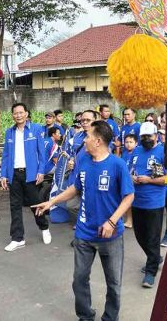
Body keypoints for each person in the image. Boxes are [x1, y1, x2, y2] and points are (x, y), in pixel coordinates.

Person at [33, 121, 134, 321]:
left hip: (111, 236)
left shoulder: (117, 165)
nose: (84, 139)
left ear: (97, 141)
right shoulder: (85, 161)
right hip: (84, 234)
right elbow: (75, 188)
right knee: (79, 280)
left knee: (113, 283)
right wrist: (52, 201)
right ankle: (85, 316)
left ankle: (110, 317)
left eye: (87, 136)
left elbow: (129, 196)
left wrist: (112, 221)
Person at [0, 102, 50, 251]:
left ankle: (44, 227)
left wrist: (41, 171)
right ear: (12, 115)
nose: (18, 115)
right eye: (15, 113)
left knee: (35, 204)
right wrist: (3, 174)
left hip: (31, 174)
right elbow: (6, 155)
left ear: (26, 114)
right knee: (15, 206)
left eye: (21, 112)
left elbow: (42, 153)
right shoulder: (10, 132)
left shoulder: (36, 129)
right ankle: (17, 238)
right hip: (14, 174)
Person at [129, 122, 166, 288]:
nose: (146, 139)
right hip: (137, 201)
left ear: (156, 135)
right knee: (139, 235)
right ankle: (155, 257)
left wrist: (149, 180)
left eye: (149, 136)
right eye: (143, 136)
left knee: (152, 238)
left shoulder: (162, 151)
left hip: (154, 202)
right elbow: (129, 171)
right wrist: (132, 178)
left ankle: (151, 272)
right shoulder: (136, 151)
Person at [121, 133, 138, 228]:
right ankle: (129, 220)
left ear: (136, 143)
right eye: (126, 142)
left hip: (134, 179)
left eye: (131, 142)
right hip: (126, 179)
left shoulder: (137, 152)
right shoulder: (124, 153)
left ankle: (131, 221)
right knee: (127, 200)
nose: (128, 144)